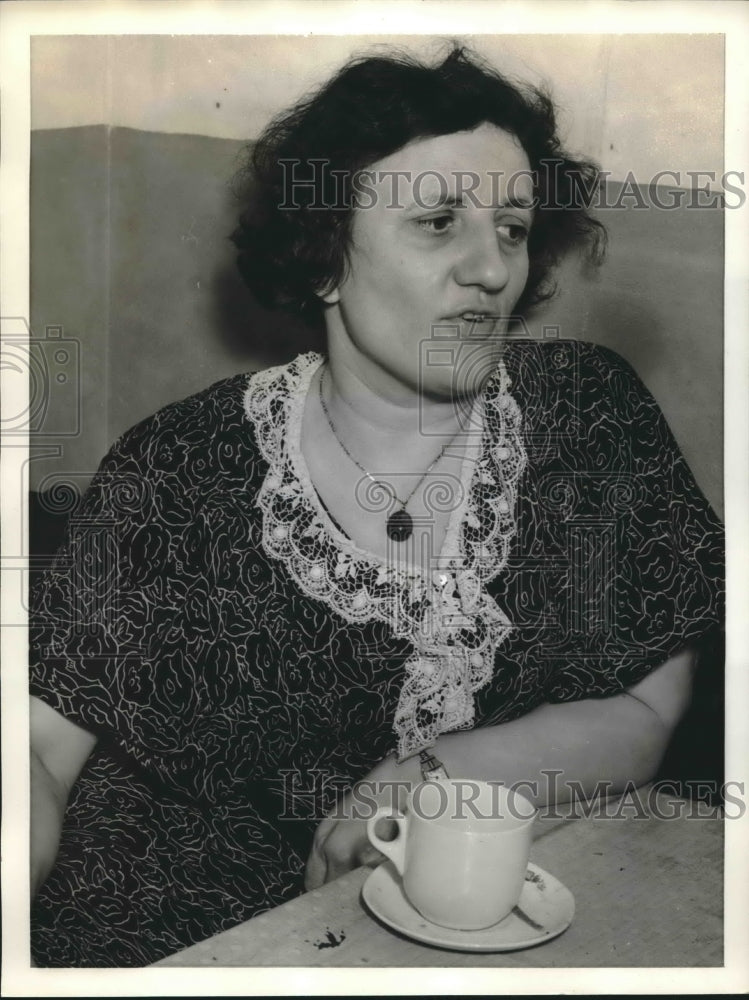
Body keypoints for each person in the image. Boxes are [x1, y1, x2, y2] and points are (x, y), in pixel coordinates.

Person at [29, 45, 724, 966]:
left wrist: (421, 778)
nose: (490, 269)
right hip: (182, 935)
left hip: (470, 924)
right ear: (324, 261)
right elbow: (35, 751)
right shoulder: (178, 470)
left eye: (511, 228)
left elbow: (645, 708)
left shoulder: (587, 420)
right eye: (438, 222)